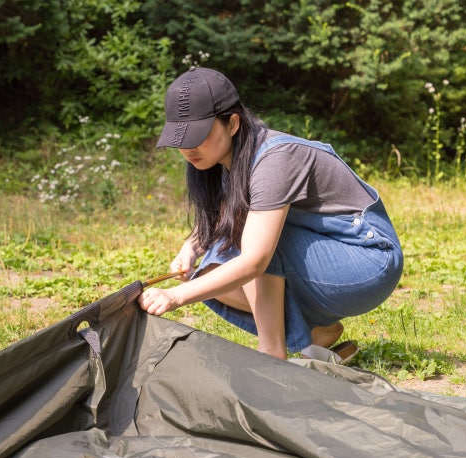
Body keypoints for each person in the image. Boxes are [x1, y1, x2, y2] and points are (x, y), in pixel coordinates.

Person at [138, 67, 403, 363]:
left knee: (247, 241)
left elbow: (256, 259)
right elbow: (224, 216)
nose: (187, 148)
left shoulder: (274, 159)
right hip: (328, 256)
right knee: (211, 270)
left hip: (368, 260)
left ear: (233, 123)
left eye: (198, 135)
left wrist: (174, 297)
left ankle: (272, 353)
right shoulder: (225, 160)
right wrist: (191, 247)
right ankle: (316, 334)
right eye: (180, 137)